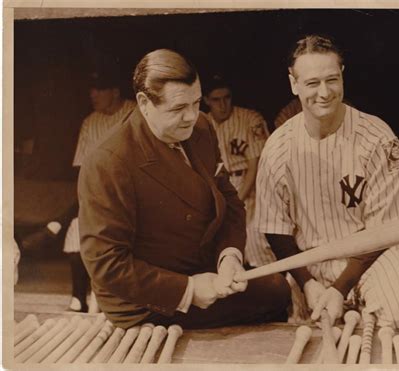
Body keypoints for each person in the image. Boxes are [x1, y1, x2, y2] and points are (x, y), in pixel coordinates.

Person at [78, 49, 291, 329]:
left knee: (276, 289)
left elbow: (230, 202)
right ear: (143, 102)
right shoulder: (107, 162)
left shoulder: (201, 127)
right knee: (272, 295)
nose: (192, 116)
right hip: (148, 300)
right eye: (178, 109)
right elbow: (107, 265)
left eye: (196, 102)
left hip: (202, 272)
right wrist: (187, 290)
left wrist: (229, 257)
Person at [255, 34, 399, 329]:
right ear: (294, 84)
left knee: (398, 313)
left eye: (331, 79)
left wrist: (340, 289)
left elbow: (387, 232)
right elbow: (276, 230)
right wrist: (308, 284)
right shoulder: (278, 147)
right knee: (307, 337)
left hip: (376, 259)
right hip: (311, 265)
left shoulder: (378, 138)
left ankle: (364, 306)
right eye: (312, 83)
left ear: (342, 76)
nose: (324, 92)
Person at [63, 68, 136, 312]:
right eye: (91, 89)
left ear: (115, 92)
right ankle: (78, 297)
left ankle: (110, 295)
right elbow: (80, 167)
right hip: (97, 190)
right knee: (76, 229)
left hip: (130, 190)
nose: (93, 94)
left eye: (100, 89)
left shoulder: (135, 113)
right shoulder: (90, 121)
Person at [203, 75, 275, 267]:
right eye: (216, 100)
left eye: (227, 97)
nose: (223, 104)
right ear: (206, 100)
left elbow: (256, 165)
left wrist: (236, 200)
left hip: (251, 187)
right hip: (218, 189)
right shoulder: (201, 123)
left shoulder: (251, 119)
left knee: (256, 244)